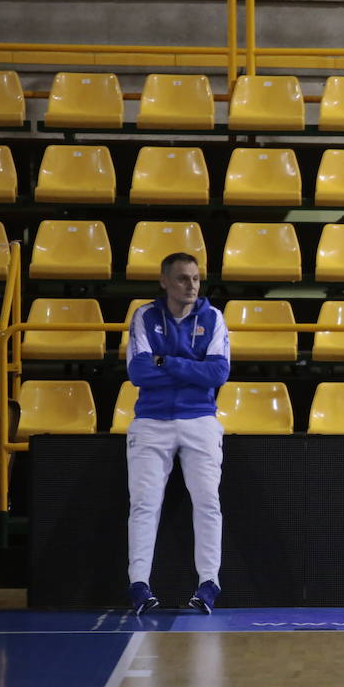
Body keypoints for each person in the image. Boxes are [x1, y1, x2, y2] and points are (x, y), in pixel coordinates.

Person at [125, 252, 230, 616]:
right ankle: (139, 584)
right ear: (164, 281)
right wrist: (191, 367)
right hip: (151, 421)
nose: (191, 286)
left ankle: (209, 583)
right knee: (144, 504)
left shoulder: (213, 317)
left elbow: (217, 374)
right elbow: (138, 373)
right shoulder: (144, 316)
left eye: (196, 279)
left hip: (200, 419)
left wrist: (165, 361)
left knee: (207, 502)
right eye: (183, 278)